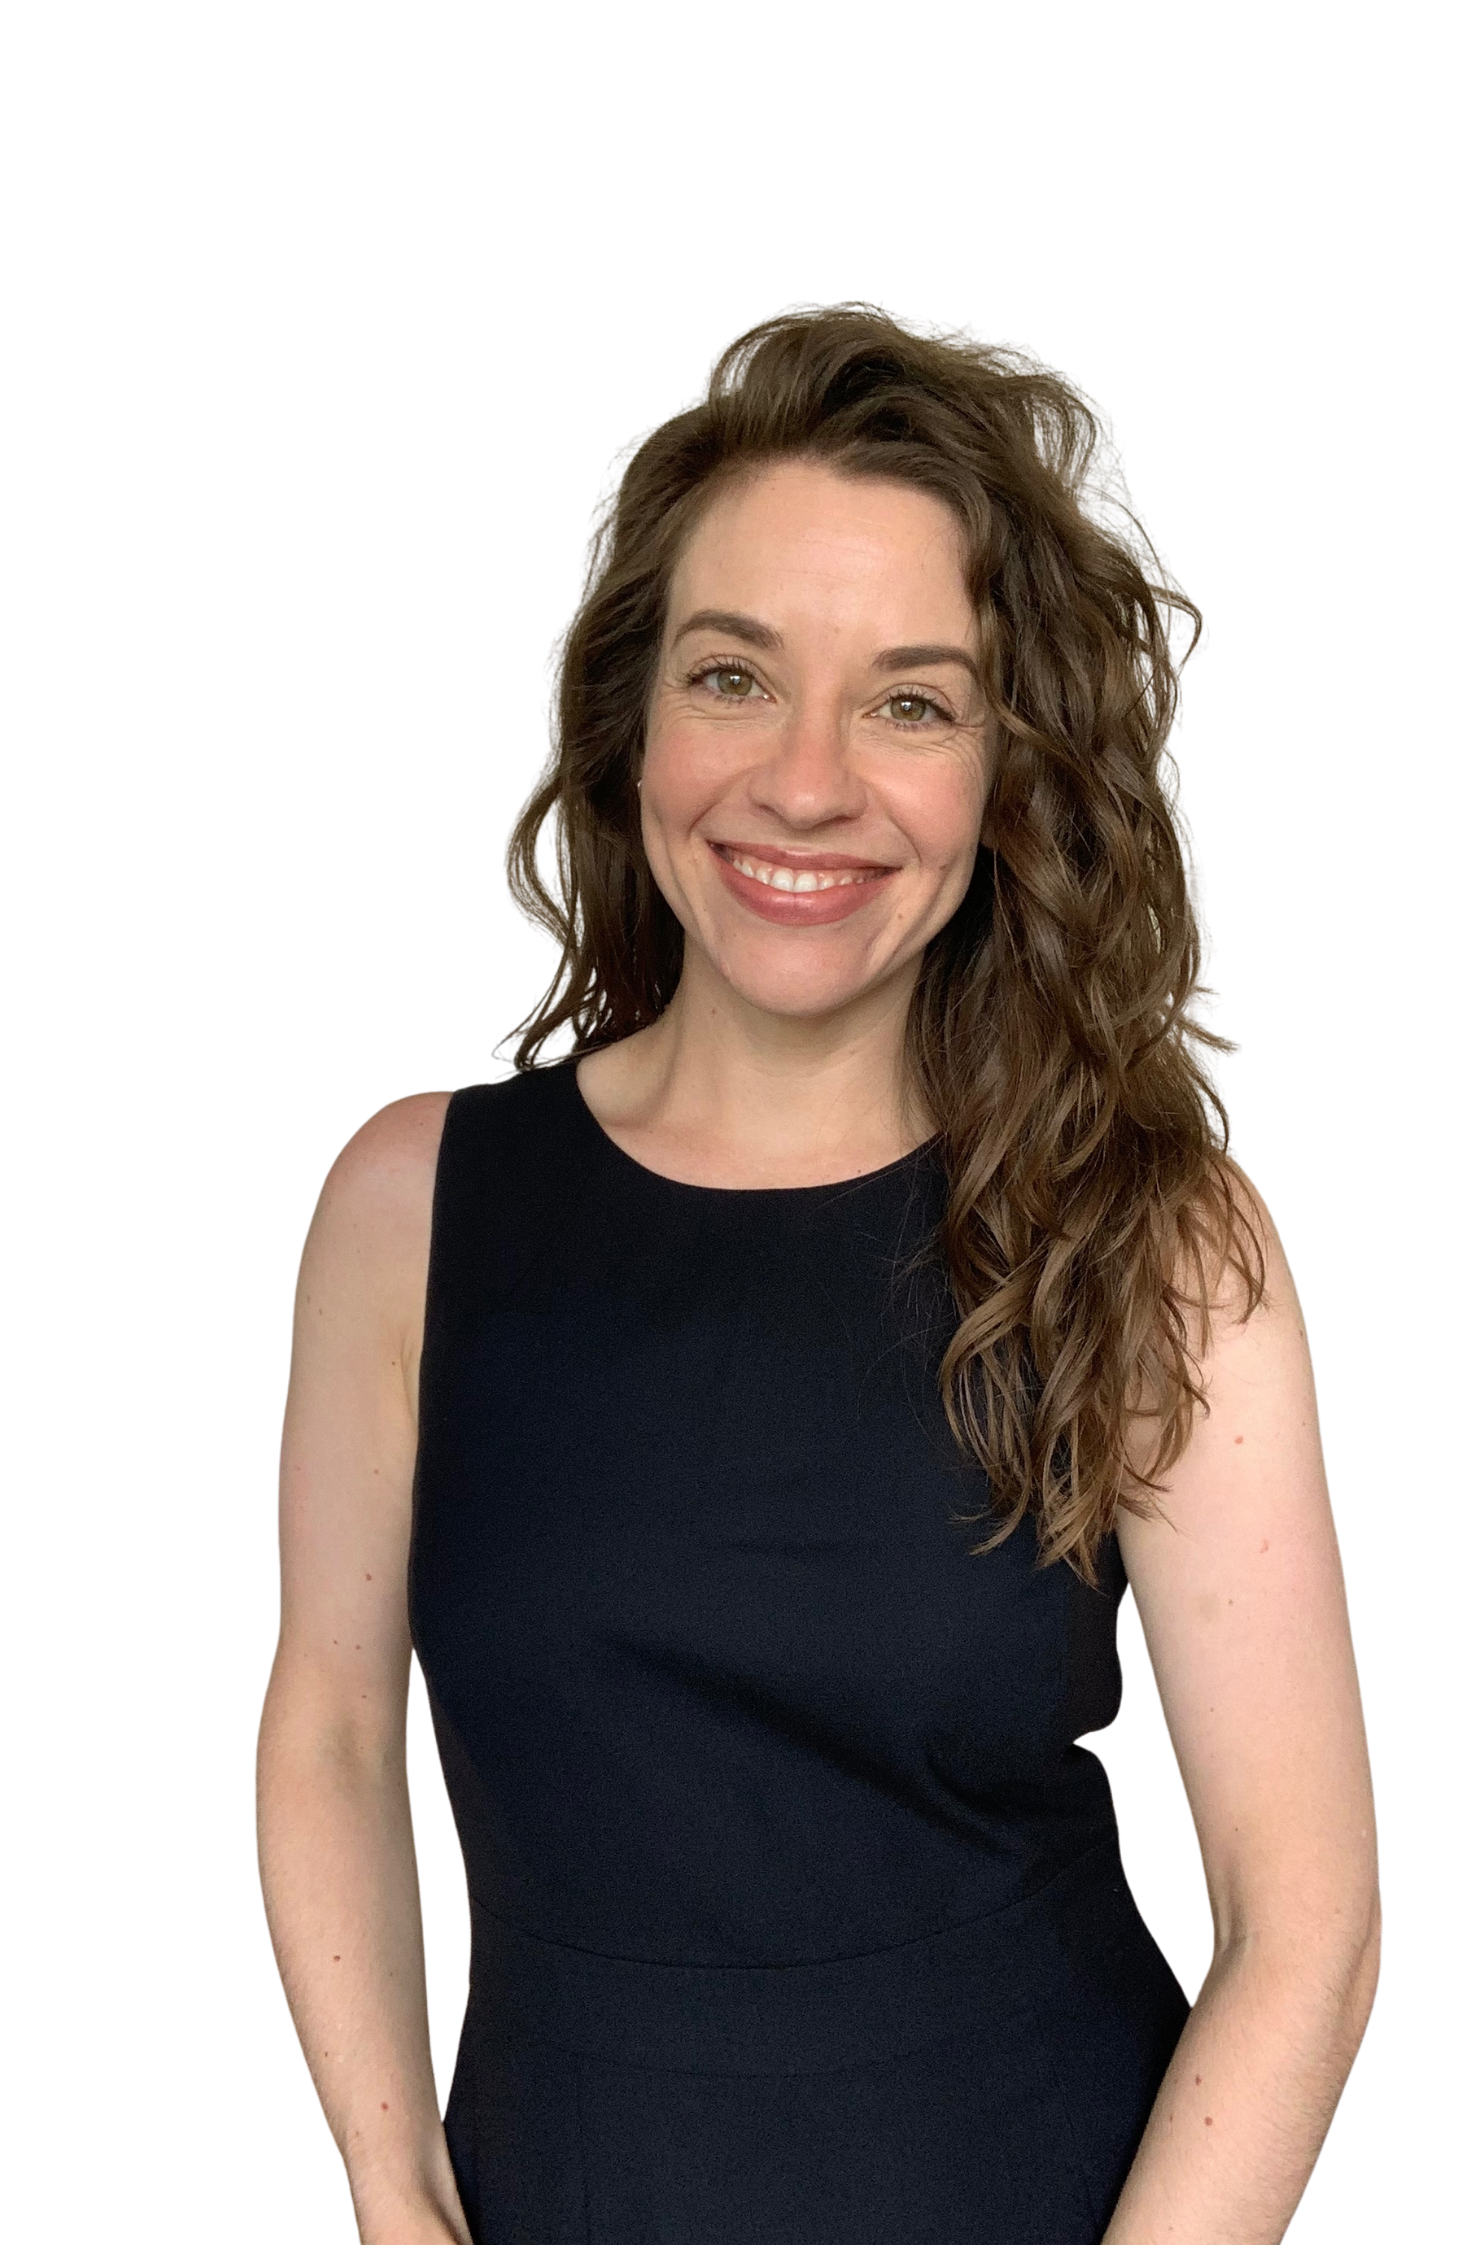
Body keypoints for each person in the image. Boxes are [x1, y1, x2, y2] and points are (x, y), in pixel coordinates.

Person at [255, 301, 1382, 2244]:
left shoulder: (1158, 1229)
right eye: (733, 675)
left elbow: (1309, 1925)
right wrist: (391, 2194)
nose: (804, 782)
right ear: (629, 714)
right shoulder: (404, 1200)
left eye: (912, 701)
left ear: (1012, 773)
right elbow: (332, 1726)